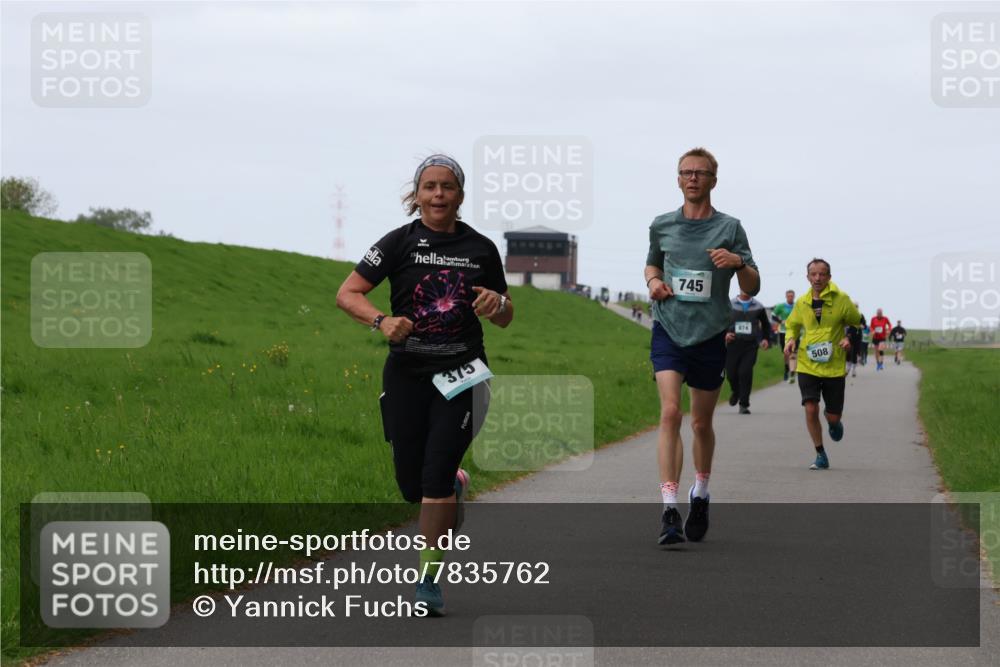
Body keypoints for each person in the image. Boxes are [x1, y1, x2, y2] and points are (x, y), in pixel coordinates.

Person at [336, 154, 513, 615]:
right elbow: (347, 293)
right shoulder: (398, 242)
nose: (438, 194)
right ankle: (454, 485)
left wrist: (497, 304)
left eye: (447, 186)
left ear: (460, 195)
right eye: (430, 186)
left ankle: (428, 581)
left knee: (434, 477)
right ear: (416, 195)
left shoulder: (481, 248)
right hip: (407, 375)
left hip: (462, 374)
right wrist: (381, 321)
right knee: (412, 487)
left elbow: (506, 314)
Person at [644, 147, 760, 545]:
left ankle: (701, 493)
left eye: (700, 172)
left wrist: (738, 263)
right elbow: (653, 263)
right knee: (670, 412)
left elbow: (751, 286)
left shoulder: (730, 228)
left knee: (700, 423)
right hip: (668, 329)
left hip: (710, 334)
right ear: (678, 179)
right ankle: (669, 509)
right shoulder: (662, 225)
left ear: (714, 180)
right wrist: (653, 283)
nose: (692, 178)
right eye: (686, 172)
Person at [784, 259, 862, 470]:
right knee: (810, 408)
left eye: (822, 274)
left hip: (833, 365)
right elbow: (792, 325)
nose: (817, 278)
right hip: (807, 364)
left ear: (829, 277)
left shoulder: (841, 299)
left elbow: (856, 322)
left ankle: (833, 421)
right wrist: (790, 339)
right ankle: (820, 453)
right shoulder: (802, 302)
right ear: (808, 277)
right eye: (813, 274)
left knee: (833, 416)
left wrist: (848, 338)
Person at [725, 291, 773, 414]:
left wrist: (765, 339)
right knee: (731, 374)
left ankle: (744, 404)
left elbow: (766, 325)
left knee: (745, 372)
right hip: (733, 344)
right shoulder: (729, 304)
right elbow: (720, 321)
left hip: (750, 345)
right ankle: (736, 391)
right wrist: (725, 334)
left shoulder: (758, 306)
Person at [771, 290, 796, 382]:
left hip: (794, 333)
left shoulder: (796, 306)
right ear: (786, 296)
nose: (790, 298)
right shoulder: (780, 306)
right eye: (789, 296)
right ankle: (786, 369)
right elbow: (773, 315)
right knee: (786, 352)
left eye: (792, 296)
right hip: (783, 332)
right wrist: (781, 321)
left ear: (794, 296)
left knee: (793, 352)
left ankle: (792, 371)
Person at [845, 302, 866, 378]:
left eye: (856, 306)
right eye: (854, 306)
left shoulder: (861, 315)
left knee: (855, 352)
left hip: (858, 336)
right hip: (850, 335)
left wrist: (862, 326)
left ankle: (854, 370)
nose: (855, 308)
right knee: (848, 352)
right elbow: (844, 323)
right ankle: (847, 368)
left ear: (858, 307)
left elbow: (864, 325)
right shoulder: (849, 314)